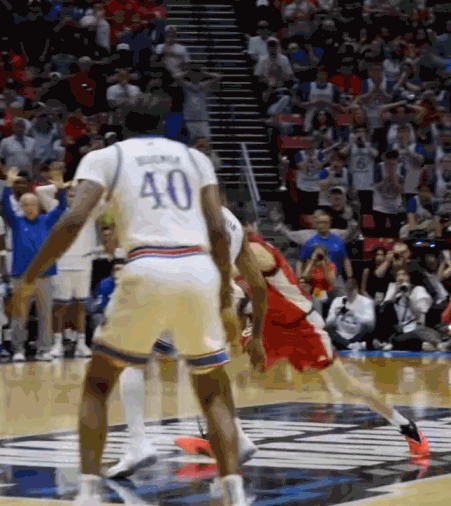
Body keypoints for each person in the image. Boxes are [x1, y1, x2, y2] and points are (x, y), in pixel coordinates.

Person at [10, 93, 254, 506]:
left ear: (120, 126)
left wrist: (30, 278)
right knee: (213, 389)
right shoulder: (195, 159)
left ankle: (89, 491)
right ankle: (235, 490)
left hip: (148, 265)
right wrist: (223, 297)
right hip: (197, 268)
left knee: (98, 383)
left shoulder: (107, 157)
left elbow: (74, 219)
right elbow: (216, 227)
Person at [174, 220, 430, 464]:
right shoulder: (234, 252)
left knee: (346, 386)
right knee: (220, 370)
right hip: (271, 325)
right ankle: (226, 438)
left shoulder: (255, 250)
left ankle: (406, 427)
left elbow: (224, 274)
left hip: (301, 325)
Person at [106, 203, 267, 479]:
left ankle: (137, 444)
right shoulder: (233, 223)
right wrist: (258, 336)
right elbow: (259, 285)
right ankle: (238, 437)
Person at [4, 167, 67, 362]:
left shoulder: (47, 220)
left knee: (45, 315)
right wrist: (8, 186)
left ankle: (44, 350)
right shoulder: (16, 222)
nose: (29, 207)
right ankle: (18, 350)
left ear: (38, 205)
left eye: (32, 204)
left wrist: (60, 190)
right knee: (19, 315)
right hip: (21, 277)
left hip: (44, 276)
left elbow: (62, 208)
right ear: (22, 207)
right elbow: (5, 205)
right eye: (26, 204)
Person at [326, 278, 376, 351]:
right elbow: (328, 323)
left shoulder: (366, 302)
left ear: (356, 290)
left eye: (351, 290)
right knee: (328, 329)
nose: (349, 293)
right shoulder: (337, 301)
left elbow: (371, 323)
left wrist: (354, 314)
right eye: (347, 290)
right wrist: (335, 315)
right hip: (341, 334)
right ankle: (349, 345)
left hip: (357, 334)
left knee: (368, 329)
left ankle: (346, 345)